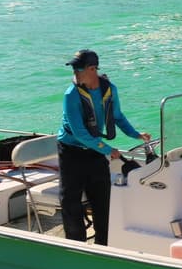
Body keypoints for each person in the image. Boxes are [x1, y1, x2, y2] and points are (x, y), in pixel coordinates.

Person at [56, 49, 151, 245]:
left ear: (92, 69)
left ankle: (104, 245)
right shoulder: (71, 94)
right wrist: (108, 150)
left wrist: (136, 134)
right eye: (73, 70)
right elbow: (81, 134)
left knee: (102, 199)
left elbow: (117, 117)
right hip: (71, 152)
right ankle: (75, 246)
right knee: (70, 200)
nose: (74, 75)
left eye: (78, 70)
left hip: (94, 150)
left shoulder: (109, 89)